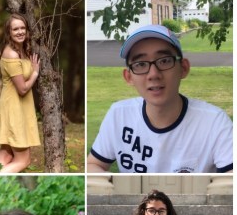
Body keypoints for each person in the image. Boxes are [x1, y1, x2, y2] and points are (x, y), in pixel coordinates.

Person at [88, 24, 233, 173]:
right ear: (129, 77)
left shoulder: (214, 123)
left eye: (164, 61)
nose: (153, 74)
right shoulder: (118, 115)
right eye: (141, 64)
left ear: (183, 68)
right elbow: (93, 164)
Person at [0, 14, 41, 173]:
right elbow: (23, 89)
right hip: (14, 110)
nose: (20, 32)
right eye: (15, 29)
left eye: (22, 28)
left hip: (17, 108)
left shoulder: (22, 50)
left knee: (5, 156)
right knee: (23, 160)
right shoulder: (11, 53)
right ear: (9, 32)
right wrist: (35, 73)